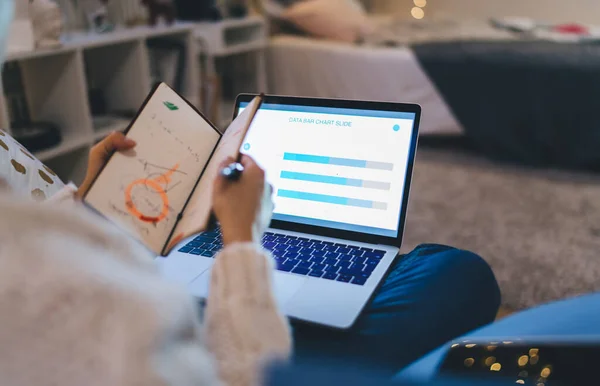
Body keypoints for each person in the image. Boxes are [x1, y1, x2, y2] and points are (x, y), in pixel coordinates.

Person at [0, 4, 501, 386]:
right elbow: (248, 372)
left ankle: (317, 314)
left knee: (433, 267)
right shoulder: (40, 305)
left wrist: (90, 203)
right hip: (238, 345)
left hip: (153, 279)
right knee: (458, 271)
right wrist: (241, 238)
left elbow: (42, 246)